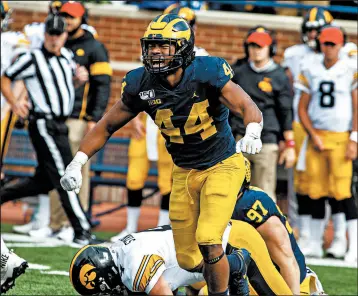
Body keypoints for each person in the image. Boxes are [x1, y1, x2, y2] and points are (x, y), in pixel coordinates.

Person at [61, 13, 263, 295]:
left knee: (208, 238)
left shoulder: (207, 71)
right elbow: (107, 125)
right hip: (183, 170)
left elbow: (245, 103)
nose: (155, 52)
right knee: (189, 259)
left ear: (182, 48)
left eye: (164, 46)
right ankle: (238, 263)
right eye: (151, 45)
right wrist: (77, 161)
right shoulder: (141, 84)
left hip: (222, 164)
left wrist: (253, 129)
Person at [110, 4, 210, 242]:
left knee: (169, 177)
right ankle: (130, 226)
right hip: (151, 118)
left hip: (178, 122)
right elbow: (138, 88)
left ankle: (164, 227)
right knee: (135, 174)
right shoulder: (156, 52)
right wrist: (134, 116)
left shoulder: (202, 57)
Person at [0, 14, 99, 246]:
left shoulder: (66, 56)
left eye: (59, 34)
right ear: (45, 35)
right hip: (44, 123)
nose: (54, 39)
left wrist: (78, 80)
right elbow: (6, 78)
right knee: (66, 174)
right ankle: (81, 229)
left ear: (65, 36)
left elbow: (64, 86)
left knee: (43, 182)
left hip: (61, 123)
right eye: (51, 34)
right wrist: (14, 102)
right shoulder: (32, 58)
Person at [30, 0, 112, 242]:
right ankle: (56, 223)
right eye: (64, 15)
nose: (67, 20)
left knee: (76, 172)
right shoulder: (59, 44)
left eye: (72, 16)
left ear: (82, 19)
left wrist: (93, 118)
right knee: (56, 171)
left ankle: (71, 223)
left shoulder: (94, 47)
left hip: (79, 118)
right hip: (57, 117)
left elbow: (103, 85)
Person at [283, 7, 357, 257]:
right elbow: (297, 99)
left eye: (324, 35)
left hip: (339, 133)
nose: (324, 43)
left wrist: (354, 137)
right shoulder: (301, 58)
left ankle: (340, 240)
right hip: (309, 128)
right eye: (314, 32)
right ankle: (308, 237)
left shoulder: (349, 61)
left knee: (339, 190)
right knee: (308, 187)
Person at [69, 222, 292, 296]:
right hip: (206, 262)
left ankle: (309, 283)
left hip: (233, 242)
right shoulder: (121, 251)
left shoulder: (133, 268)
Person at [232, 158, 326, 295]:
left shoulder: (250, 206)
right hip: (247, 275)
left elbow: (287, 260)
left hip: (280, 282)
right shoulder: (216, 201)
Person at [230, 26, 295, 202]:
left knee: (264, 193)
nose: (255, 50)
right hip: (240, 138)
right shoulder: (239, 72)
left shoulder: (279, 75)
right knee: (233, 191)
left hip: (266, 141)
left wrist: (289, 144)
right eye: (252, 46)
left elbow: (286, 112)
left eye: (260, 46)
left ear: (270, 49)